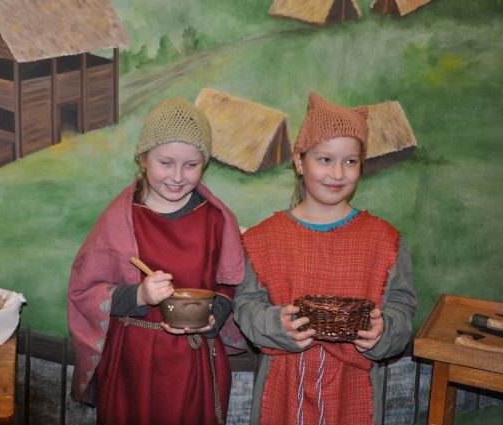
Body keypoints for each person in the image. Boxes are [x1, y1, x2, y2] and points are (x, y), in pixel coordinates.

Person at [233, 92, 416, 425]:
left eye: (350, 161)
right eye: (325, 159)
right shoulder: (262, 240)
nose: (338, 173)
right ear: (299, 161)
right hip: (281, 391)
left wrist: (383, 330)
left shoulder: (385, 242)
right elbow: (246, 305)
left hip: (354, 394)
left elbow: (402, 308)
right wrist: (277, 325)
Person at [67, 97, 246, 425]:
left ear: (204, 164)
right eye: (166, 162)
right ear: (143, 159)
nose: (177, 176)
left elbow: (228, 285)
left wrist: (213, 318)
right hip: (133, 365)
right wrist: (138, 295)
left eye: (191, 165)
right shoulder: (120, 219)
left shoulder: (216, 220)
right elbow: (85, 291)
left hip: (194, 361)